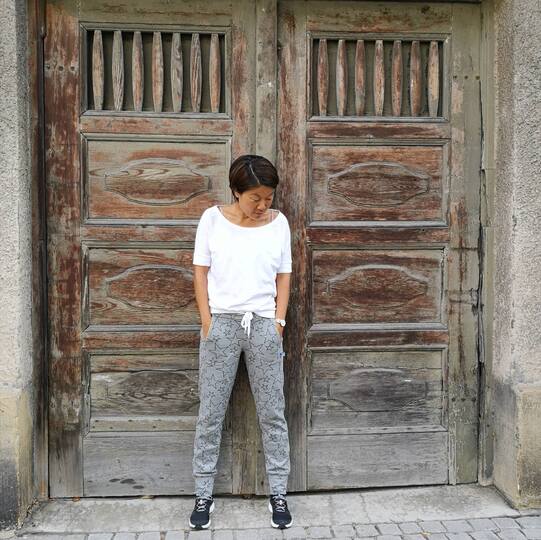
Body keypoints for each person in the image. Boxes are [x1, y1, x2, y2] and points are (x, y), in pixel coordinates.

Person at [189, 154, 293, 530]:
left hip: (264, 326)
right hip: (222, 325)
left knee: (272, 413)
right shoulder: (212, 220)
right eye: (255, 198)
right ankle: (203, 494)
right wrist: (207, 323)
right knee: (210, 413)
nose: (263, 205)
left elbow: (284, 275)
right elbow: (200, 272)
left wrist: (278, 322)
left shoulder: (279, 223)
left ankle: (278, 493)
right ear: (236, 191)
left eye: (268, 197)